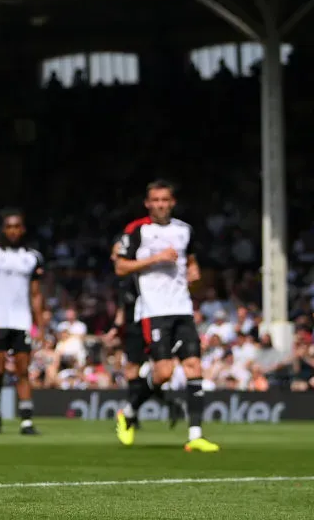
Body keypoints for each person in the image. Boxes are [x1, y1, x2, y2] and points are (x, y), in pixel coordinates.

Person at [114, 180, 219, 452]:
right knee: (163, 373)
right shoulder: (138, 231)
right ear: (148, 203)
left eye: (165, 200)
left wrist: (195, 277)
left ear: (172, 202)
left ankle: (195, 435)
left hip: (182, 308)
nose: (160, 204)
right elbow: (121, 267)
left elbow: (191, 264)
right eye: (155, 200)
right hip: (153, 309)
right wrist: (155, 259)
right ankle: (129, 411)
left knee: (194, 366)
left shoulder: (185, 231)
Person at [0, 209, 44, 435]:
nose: (13, 231)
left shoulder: (32, 256)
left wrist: (39, 325)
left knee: (23, 370)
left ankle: (26, 420)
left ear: (22, 229)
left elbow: (35, 294)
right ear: (3, 229)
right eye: (9, 227)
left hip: (21, 320)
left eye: (17, 226)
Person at [106, 239, 186, 431]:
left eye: (117, 254)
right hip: (132, 326)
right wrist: (116, 328)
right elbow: (123, 306)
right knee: (133, 371)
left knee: (156, 370)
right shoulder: (123, 280)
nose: (114, 258)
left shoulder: (140, 275)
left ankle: (137, 410)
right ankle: (146, 409)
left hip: (147, 323)